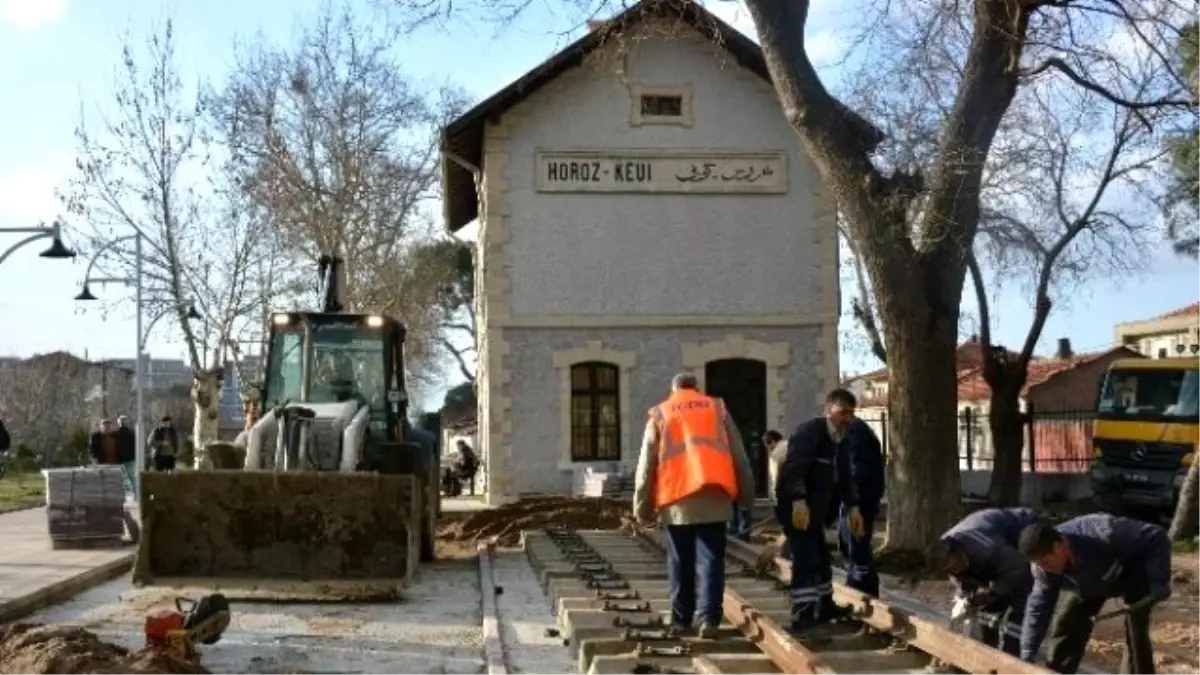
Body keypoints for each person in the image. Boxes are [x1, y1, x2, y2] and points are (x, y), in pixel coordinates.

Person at [633, 373, 755, 639]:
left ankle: (680, 621)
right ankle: (710, 618)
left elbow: (646, 467)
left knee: (679, 561)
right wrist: (747, 498)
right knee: (711, 559)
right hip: (714, 495)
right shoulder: (717, 409)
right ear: (697, 389)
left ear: (674, 388)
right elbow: (740, 456)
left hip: (676, 498)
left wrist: (641, 508)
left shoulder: (661, 413)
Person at [1018, 515, 1171, 674]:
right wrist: (1028, 651)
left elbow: (1156, 535)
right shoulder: (1042, 569)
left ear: (1058, 547)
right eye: (1038, 565)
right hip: (1088, 582)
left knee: (1135, 631)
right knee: (1068, 622)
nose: (1044, 569)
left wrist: (1158, 579)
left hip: (1131, 571)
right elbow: (1038, 607)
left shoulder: (1106, 533)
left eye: (1046, 563)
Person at [775, 388, 864, 633]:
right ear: (828, 410)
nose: (847, 418)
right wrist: (798, 501)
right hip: (796, 507)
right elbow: (796, 469)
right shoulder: (809, 432)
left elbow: (846, 477)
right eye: (842, 412)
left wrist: (853, 507)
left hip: (817, 509)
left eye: (851, 414)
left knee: (822, 556)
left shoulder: (841, 439)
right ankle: (802, 615)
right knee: (806, 558)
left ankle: (825, 606)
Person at [925, 507, 1040, 656]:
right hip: (999, 555)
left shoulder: (986, 547)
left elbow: (1016, 569)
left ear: (958, 551)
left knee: (1019, 604)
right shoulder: (943, 554)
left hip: (1023, 532)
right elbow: (964, 582)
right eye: (950, 570)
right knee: (987, 609)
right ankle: (987, 652)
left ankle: (1013, 656)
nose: (955, 570)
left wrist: (992, 593)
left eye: (955, 565)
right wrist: (967, 599)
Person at [837, 417, 885, 597]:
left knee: (857, 546)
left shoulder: (856, 434)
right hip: (858, 500)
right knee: (852, 545)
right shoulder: (854, 433)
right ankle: (856, 585)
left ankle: (863, 589)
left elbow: (856, 471)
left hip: (859, 502)